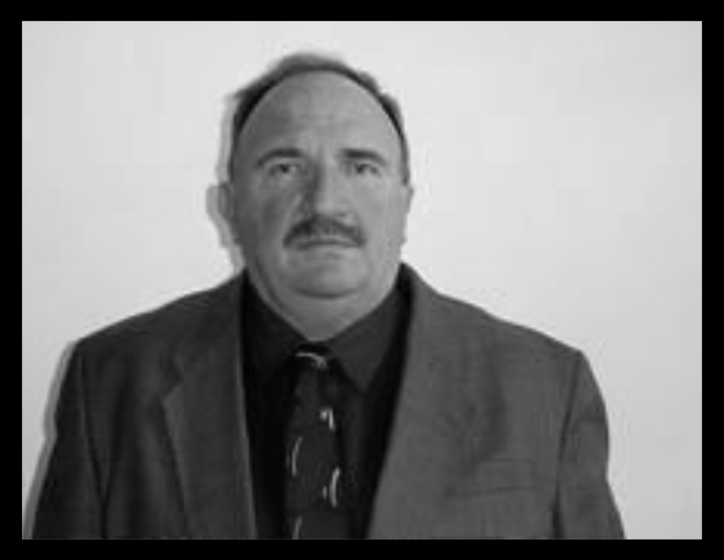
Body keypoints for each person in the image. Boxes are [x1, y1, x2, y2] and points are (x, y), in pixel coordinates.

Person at [31, 52, 624, 539]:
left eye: (361, 167)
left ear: (406, 203)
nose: (324, 203)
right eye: (284, 168)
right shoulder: (110, 383)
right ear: (228, 207)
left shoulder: (547, 392)